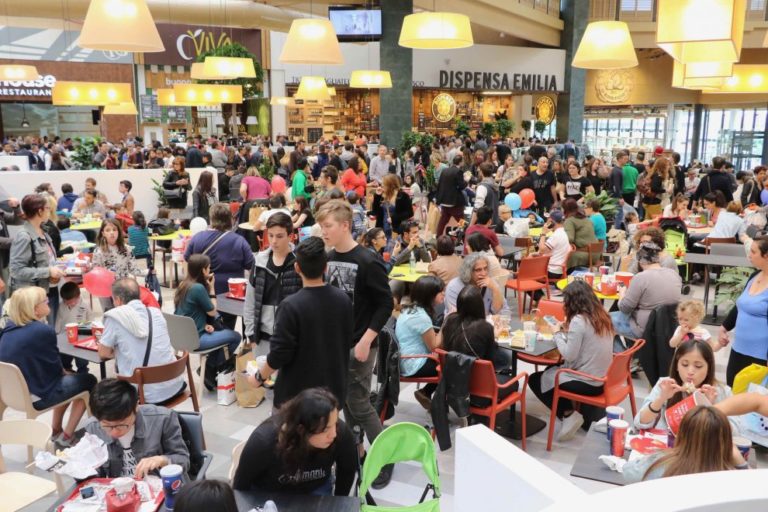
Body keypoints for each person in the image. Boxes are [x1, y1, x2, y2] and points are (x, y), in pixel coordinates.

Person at [317, 200, 394, 488]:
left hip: (360, 344)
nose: (323, 231)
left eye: (328, 226)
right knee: (347, 401)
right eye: (322, 226)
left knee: (360, 404)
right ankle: (357, 450)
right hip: (337, 344)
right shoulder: (330, 255)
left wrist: (366, 339)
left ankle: (386, 456)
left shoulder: (367, 260)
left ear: (345, 225)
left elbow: (386, 303)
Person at [248, 237, 353, 409]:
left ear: (297, 268)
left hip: (297, 398)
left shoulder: (291, 306)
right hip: (333, 393)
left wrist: (259, 377)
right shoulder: (343, 299)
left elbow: (279, 353)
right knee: (327, 434)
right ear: (325, 267)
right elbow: (348, 340)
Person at [0, 286, 96, 447]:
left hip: (12, 395)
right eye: (45, 300)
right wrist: (67, 374)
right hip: (36, 396)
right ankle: (67, 436)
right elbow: (56, 372)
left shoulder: (7, 330)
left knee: (71, 378)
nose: (49, 302)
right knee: (89, 381)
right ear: (35, 309)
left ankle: (56, 429)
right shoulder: (42, 331)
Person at [529, 281, 614, 440]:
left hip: (588, 381)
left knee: (535, 379)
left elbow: (569, 355)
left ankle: (568, 414)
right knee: (549, 372)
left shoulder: (579, 321)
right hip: (603, 378)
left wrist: (557, 333)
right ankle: (569, 412)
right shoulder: (602, 315)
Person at [233, 388, 357, 496]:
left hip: (315, 490)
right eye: (325, 430)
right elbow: (240, 486)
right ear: (301, 430)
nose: (334, 434)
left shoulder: (341, 433)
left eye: (335, 423)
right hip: (268, 492)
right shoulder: (264, 442)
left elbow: (347, 472)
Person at [98, 278, 185, 404]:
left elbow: (103, 353)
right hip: (175, 385)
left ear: (118, 300)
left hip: (146, 396)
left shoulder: (115, 317)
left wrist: (121, 351)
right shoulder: (156, 312)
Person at [84, 379, 190, 478]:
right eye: (107, 426)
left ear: (136, 406)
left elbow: (184, 461)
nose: (115, 432)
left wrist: (162, 460)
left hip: (160, 487)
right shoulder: (93, 427)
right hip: (119, 492)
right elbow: (95, 475)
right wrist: (81, 468)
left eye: (121, 424)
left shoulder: (163, 419)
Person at [624, 405, 747, 483]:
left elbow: (627, 473)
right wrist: (741, 463)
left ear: (681, 434)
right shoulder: (731, 478)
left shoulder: (661, 462)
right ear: (727, 442)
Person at [634, 339, 733, 434]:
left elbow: (734, 432)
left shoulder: (721, 392)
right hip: (665, 445)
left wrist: (710, 408)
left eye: (698, 366)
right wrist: (661, 399)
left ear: (709, 368)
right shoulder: (665, 385)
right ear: (677, 366)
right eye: (685, 364)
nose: (690, 372)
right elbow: (640, 422)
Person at [174, 254, 241, 390]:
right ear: (204, 270)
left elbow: (185, 313)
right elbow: (212, 311)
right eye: (208, 268)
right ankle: (210, 369)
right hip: (196, 340)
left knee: (220, 336)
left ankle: (209, 371)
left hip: (181, 337)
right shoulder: (198, 288)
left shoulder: (183, 285)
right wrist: (212, 288)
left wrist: (204, 324)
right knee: (235, 336)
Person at [185, 203, 255, 330]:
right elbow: (252, 267)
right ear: (231, 219)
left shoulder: (197, 238)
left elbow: (187, 260)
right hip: (231, 295)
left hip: (203, 292)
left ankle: (214, 347)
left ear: (211, 219)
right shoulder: (239, 241)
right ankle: (225, 347)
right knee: (227, 328)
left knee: (205, 327)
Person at [243, 212, 302, 354]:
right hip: (262, 339)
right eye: (270, 235)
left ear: (290, 236)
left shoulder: (300, 263)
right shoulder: (259, 262)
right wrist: (251, 335)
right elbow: (250, 301)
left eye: (280, 236)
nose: (274, 241)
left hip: (291, 339)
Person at [9, 194, 66, 324]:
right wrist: (48, 271)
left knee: (49, 330)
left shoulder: (44, 231)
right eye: (47, 208)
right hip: (33, 298)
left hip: (48, 289)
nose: (49, 211)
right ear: (39, 211)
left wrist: (55, 270)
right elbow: (16, 270)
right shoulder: (24, 237)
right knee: (40, 335)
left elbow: (47, 260)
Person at [719, 236, 768, 386]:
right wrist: (724, 327)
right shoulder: (755, 276)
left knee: (751, 402)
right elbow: (742, 305)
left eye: (753, 252)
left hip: (760, 356)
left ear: (766, 256)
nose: (749, 255)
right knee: (732, 390)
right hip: (738, 349)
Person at [611, 242, 682, 345]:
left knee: (603, 321)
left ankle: (623, 356)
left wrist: (622, 293)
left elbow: (625, 308)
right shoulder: (674, 275)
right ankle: (631, 354)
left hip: (644, 328)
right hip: (669, 327)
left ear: (640, 261)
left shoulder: (640, 277)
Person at [396, 275, 445, 409]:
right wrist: (447, 322)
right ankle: (437, 405)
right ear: (430, 295)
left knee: (450, 361)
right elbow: (435, 346)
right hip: (413, 364)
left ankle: (427, 393)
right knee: (453, 366)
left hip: (405, 359)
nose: (443, 294)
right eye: (440, 292)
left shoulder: (410, 309)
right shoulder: (420, 316)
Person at [55, 281, 93, 374]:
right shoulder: (61, 305)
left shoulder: (85, 305)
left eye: (72, 302)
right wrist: (57, 335)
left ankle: (83, 376)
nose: (69, 304)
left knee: (82, 362)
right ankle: (68, 373)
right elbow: (58, 320)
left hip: (81, 339)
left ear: (78, 296)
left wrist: (89, 335)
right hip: (65, 338)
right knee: (65, 361)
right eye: (66, 302)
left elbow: (91, 321)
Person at [371, 174, 412, 241]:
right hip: (382, 229)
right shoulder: (382, 195)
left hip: (397, 230)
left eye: (384, 184)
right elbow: (375, 211)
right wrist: (377, 196)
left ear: (390, 185)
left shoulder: (403, 196)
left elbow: (409, 213)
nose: (382, 186)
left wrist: (394, 218)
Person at [435, 155, 466, 236]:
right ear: (461, 162)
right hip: (454, 202)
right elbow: (462, 186)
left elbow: (439, 185)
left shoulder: (445, 170)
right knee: (462, 221)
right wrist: (467, 180)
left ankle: (438, 236)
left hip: (444, 201)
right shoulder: (458, 171)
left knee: (443, 220)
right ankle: (463, 237)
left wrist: (438, 199)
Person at [562, 198, 598, 269]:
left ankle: (563, 278)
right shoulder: (586, 219)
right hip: (596, 254)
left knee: (560, 257)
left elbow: (569, 239)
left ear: (565, 209)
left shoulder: (570, 220)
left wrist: (557, 239)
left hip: (583, 255)